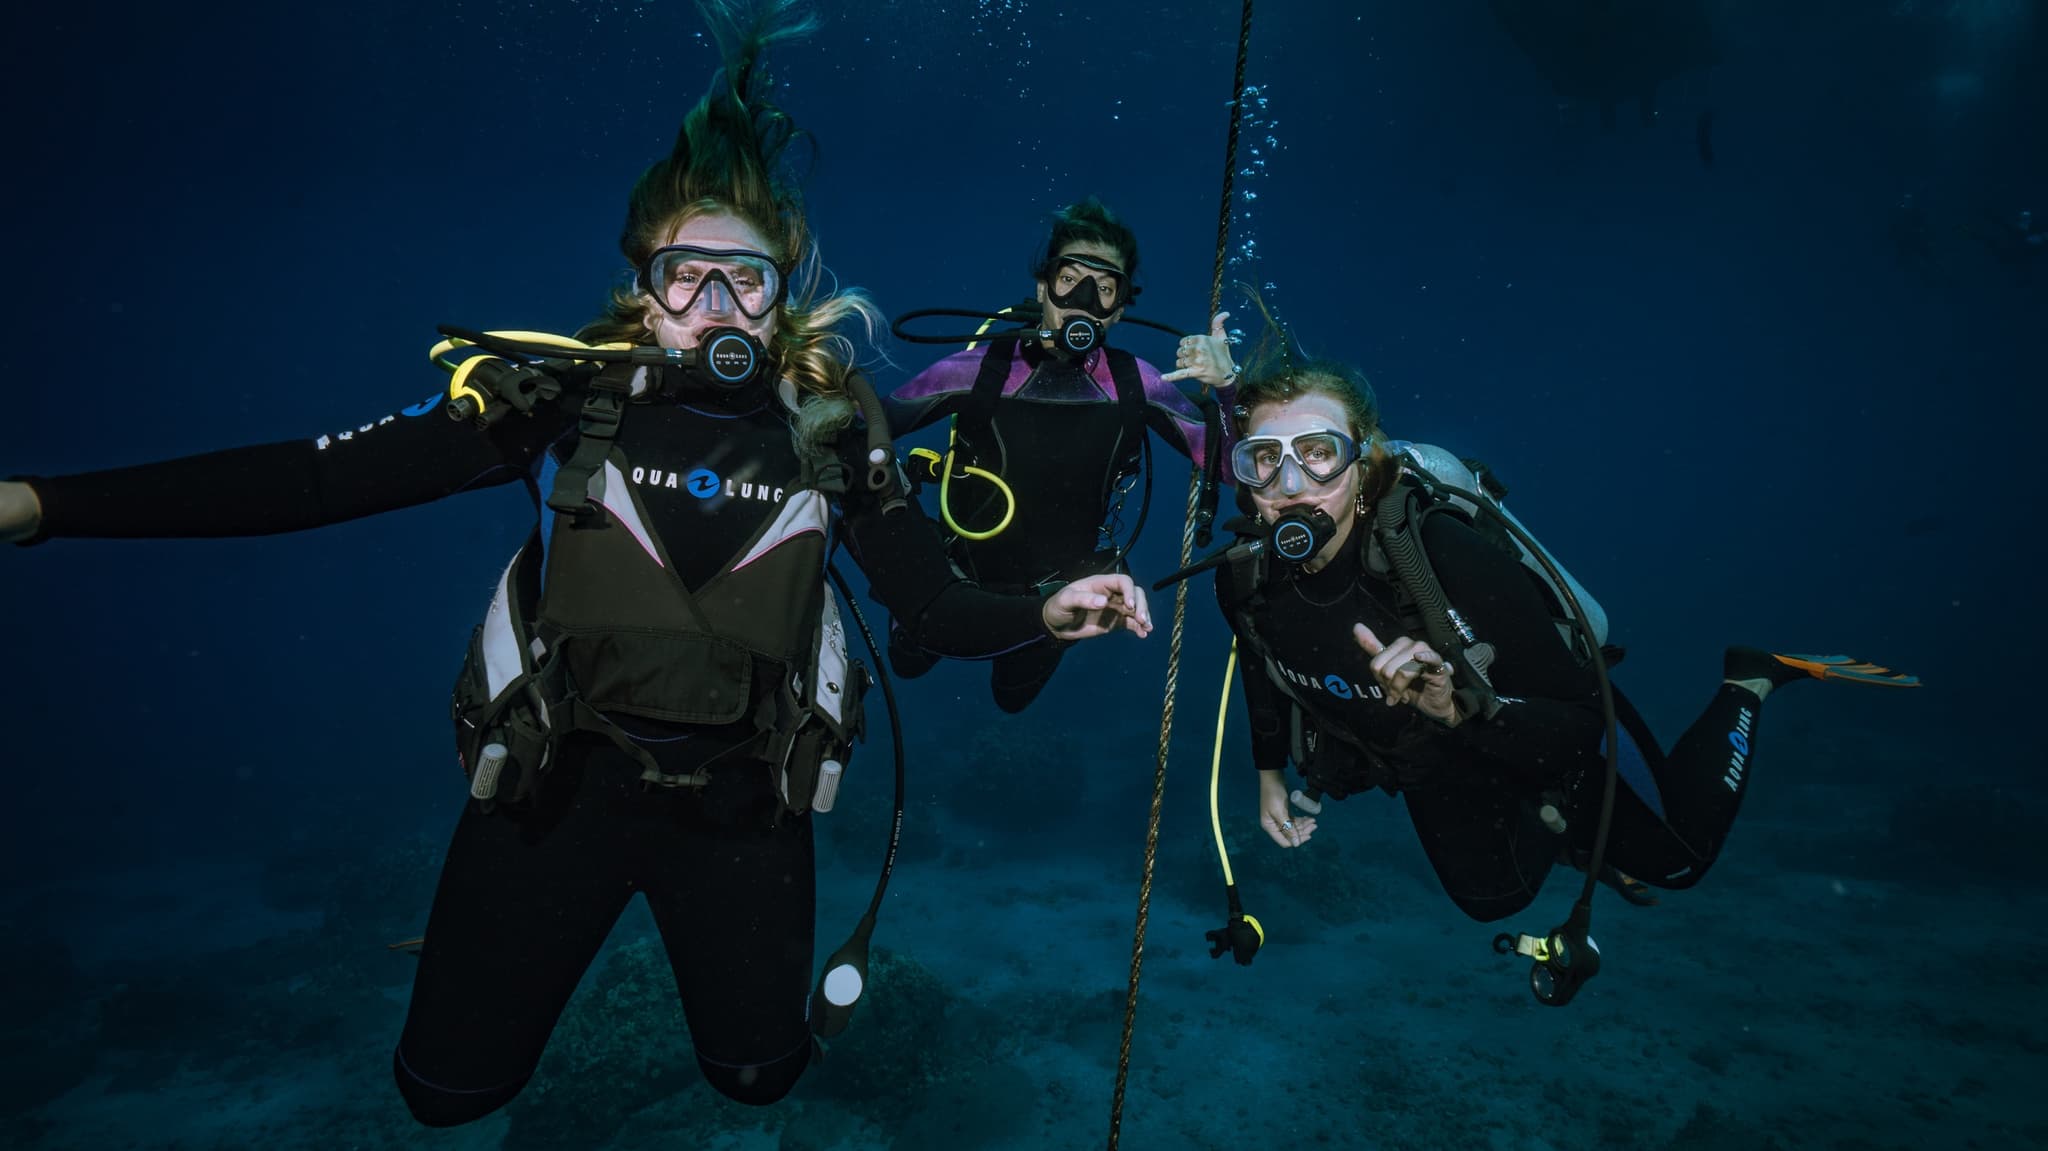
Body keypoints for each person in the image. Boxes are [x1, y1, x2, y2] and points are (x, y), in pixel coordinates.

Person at [0, 0, 1151, 1126]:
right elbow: (311, 481)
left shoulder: (830, 432)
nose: (713, 305)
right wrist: (43, 503)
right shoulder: (560, 398)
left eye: (742, 277)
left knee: (757, 1076)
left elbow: (935, 605)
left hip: (748, 808)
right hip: (554, 792)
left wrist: (1044, 608)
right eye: (682, 276)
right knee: (445, 1095)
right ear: (641, 294)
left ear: (783, 290)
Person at [1207, 336, 1915, 926]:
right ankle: (1570, 842)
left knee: (1680, 858)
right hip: (1440, 755)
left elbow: (1579, 716)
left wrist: (1454, 703)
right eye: (1263, 459)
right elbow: (1263, 668)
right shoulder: (1246, 577)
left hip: (1553, 739)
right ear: (1246, 479)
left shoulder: (1445, 553)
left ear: (1365, 465)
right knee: (1490, 900)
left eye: (1320, 452)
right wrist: (1271, 772)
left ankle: (1751, 676)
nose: (1292, 481)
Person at [881, 196, 1236, 712]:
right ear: (1042, 285)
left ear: (1120, 309)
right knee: (907, 663)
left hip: (1056, 597)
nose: (1084, 300)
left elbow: (1230, 467)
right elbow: (867, 430)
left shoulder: (1140, 385)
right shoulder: (978, 369)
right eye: (1070, 279)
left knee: (1012, 699)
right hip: (956, 579)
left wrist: (1226, 385)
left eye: (1105, 288)